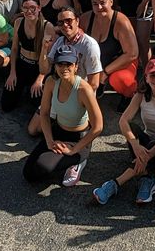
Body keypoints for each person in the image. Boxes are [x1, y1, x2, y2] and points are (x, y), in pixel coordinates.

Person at [91, 58, 155, 205]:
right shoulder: (141, 95)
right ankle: (147, 179)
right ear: (146, 77)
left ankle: (115, 183)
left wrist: (146, 155)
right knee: (132, 128)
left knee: (148, 151)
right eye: (153, 75)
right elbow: (123, 121)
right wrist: (136, 145)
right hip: (148, 142)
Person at [22, 49, 103, 187]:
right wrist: (49, 141)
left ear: (76, 66)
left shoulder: (84, 90)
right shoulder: (51, 82)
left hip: (77, 138)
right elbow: (45, 113)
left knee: (43, 168)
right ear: (55, 66)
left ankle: (78, 162)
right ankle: (59, 158)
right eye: (60, 64)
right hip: (58, 131)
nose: (64, 68)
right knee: (28, 173)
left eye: (69, 64)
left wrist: (74, 149)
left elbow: (98, 126)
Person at [29, 7, 103, 136]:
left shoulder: (89, 45)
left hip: (79, 94)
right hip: (60, 90)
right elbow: (44, 69)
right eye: (61, 22)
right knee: (33, 130)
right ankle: (57, 123)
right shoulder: (60, 42)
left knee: (53, 130)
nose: (65, 25)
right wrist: (44, 48)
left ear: (77, 21)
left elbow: (94, 84)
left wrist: (75, 104)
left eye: (69, 20)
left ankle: (72, 125)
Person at [80, 0, 138, 104]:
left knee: (123, 80)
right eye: (95, 4)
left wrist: (105, 72)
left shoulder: (121, 22)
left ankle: (129, 95)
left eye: (102, 3)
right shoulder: (85, 18)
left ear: (111, 1)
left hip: (119, 63)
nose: (99, 7)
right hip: (94, 63)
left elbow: (132, 54)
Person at [2, 0, 54, 113]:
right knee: (6, 105)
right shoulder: (19, 22)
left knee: (36, 103)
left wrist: (40, 79)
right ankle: (22, 87)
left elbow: (50, 58)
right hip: (22, 63)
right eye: (25, 8)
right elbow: (14, 49)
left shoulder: (47, 26)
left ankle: (29, 89)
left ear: (39, 8)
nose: (29, 11)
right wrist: (12, 72)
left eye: (33, 8)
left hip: (38, 67)